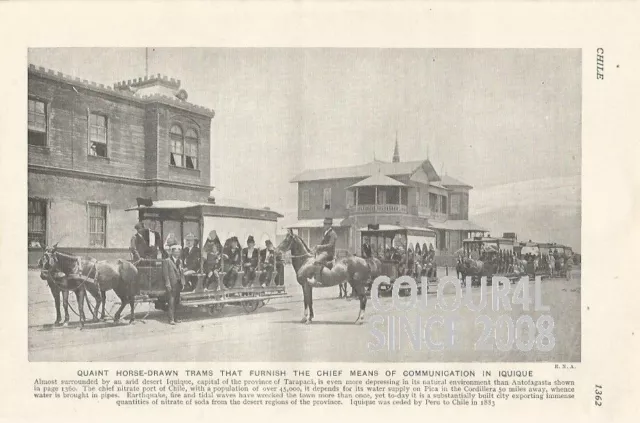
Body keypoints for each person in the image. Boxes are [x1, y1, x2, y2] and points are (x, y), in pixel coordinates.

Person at [162, 244, 184, 325]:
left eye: (178, 252)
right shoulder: (167, 261)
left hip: (178, 284)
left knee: (177, 302)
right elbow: (166, 274)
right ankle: (171, 319)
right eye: (175, 252)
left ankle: (176, 318)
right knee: (171, 302)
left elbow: (181, 272)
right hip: (171, 284)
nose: (177, 254)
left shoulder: (180, 261)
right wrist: (168, 284)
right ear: (172, 252)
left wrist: (183, 282)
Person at [313, 217, 337, 283]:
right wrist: (317, 248)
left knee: (317, 261)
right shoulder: (326, 232)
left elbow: (330, 245)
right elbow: (322, 243)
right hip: (324, 252)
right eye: (324, 224)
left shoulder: (333, 234)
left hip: (329, 253)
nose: (324, 225)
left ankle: (317, 280)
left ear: (330, 225)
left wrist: (320, 247)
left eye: (326, 224)